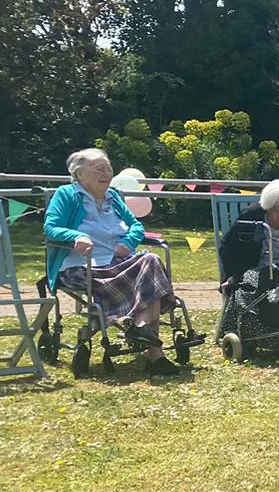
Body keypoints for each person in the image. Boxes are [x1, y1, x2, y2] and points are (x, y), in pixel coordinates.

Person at [43, 148, 185, 374]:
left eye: (108, 168)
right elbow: (51, 228)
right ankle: (155, 355)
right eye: (98, 168)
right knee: (148, 270)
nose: (106, 173)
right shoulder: (67, 194)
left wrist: (128, 242)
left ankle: (142, 330)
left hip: (118, 262)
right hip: (81, 266)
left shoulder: (114, 197)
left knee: (150, 260)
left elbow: (136, 225)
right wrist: (76, 236)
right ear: (79, 175)